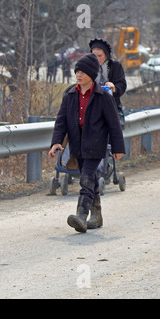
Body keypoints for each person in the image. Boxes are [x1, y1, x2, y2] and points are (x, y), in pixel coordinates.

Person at [49, 53, 125, 233]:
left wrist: (118, 148)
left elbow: (113, 123)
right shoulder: (69, 95)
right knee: (90, 178)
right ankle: (97, 215)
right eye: (77, 71)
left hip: (96, 145)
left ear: (92, 74)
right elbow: (61, 121)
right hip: (77, 145)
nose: (79, 75)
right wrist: (56, 142)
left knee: (85, 178)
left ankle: (81, 215)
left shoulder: (103, 96)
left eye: (83, 72)